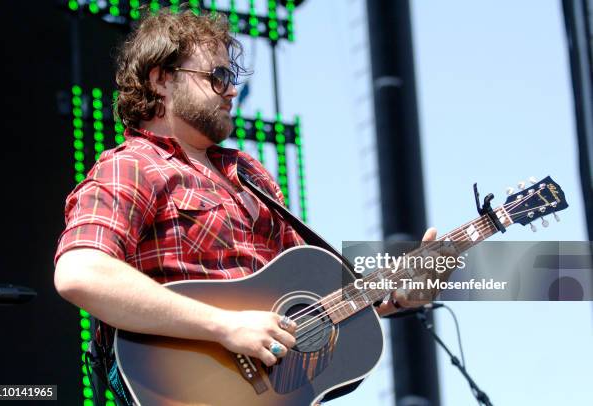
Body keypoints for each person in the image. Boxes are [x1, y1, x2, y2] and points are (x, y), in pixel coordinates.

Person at [53, 8, 436, 405]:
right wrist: (224, 326)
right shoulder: (132, 165)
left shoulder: (250, 174)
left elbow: (311, 303)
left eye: (231, 79)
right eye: (217, 77)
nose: (231, 91)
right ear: (161, 79)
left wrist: (390, 297)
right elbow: (80, 273)